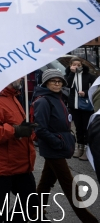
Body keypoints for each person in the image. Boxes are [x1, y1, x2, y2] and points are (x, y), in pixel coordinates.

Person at [33, 69, 98, 223]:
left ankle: (34, 210)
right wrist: (58, 142)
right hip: (53, 148)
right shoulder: (43, 101)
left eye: (59, 81)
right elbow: (40, 128)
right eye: (53, 81)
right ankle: (89, 220)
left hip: (59, 146)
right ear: (46, 83)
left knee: (46, 182)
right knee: (70, 186)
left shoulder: (59, 97)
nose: (57, 83)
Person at [0, 78, 39, 222]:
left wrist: (27, 129)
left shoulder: (13, 96)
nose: (20, 78)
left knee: (31, 204)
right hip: (1, 165)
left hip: (20, 162)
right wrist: (16, 130)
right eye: (16, 75)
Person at [65, 57, 97, 161]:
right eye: (74, 65)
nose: (76, 67)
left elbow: (96, 87)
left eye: (78, 65)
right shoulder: (69, 75)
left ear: (82, 65)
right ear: (70, 65)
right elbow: (67, 85)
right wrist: (72, 73)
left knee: (86, 128)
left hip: (86, 105)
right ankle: (80, 148)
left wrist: (86, 93)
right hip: (74, 105)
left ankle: (88, 150)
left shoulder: (89, 76)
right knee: (78, 128)